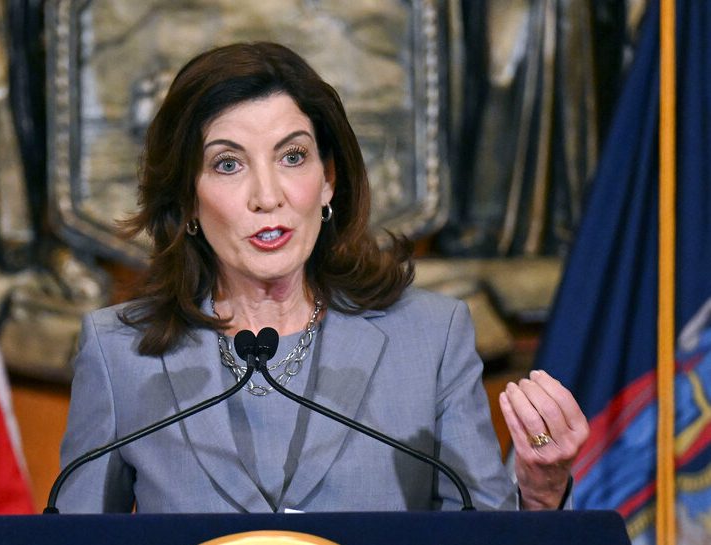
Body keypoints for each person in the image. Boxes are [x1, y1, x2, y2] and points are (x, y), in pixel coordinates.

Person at [58, 42, 589, 513]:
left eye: (293, 157)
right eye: (228, 164)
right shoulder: (119, 353)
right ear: (186, 198)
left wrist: (541, 494)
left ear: (329, 179)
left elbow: (483, 537)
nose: (268, 196)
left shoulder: (431, 338)